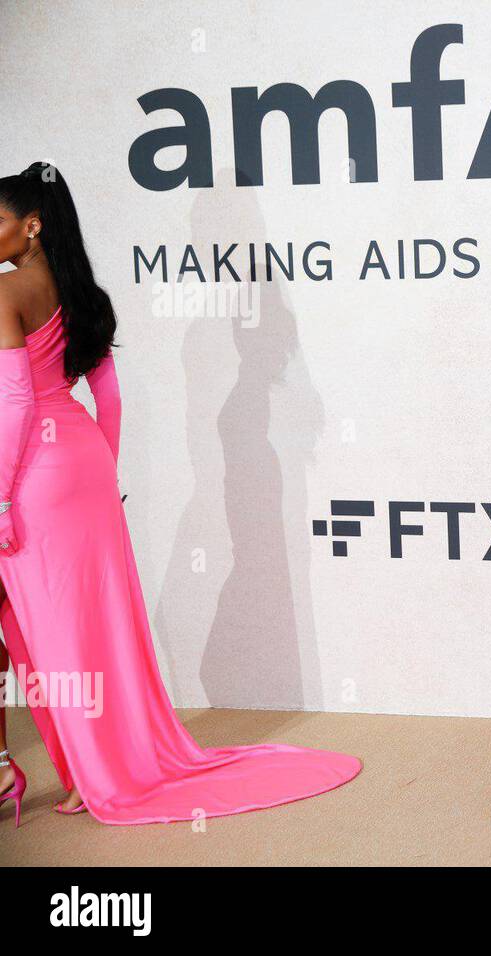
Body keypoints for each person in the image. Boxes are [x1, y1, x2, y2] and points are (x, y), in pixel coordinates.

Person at [0, 162, 360, 825]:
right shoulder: (85, 293)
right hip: (82, 462)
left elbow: (17, 404)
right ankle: (88, 768)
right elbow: (107, 397)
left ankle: (70, 772)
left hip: (31, 474)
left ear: (31, 225)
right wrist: (105, 474)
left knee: (47, 632)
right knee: (97, 626)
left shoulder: (7, 292)